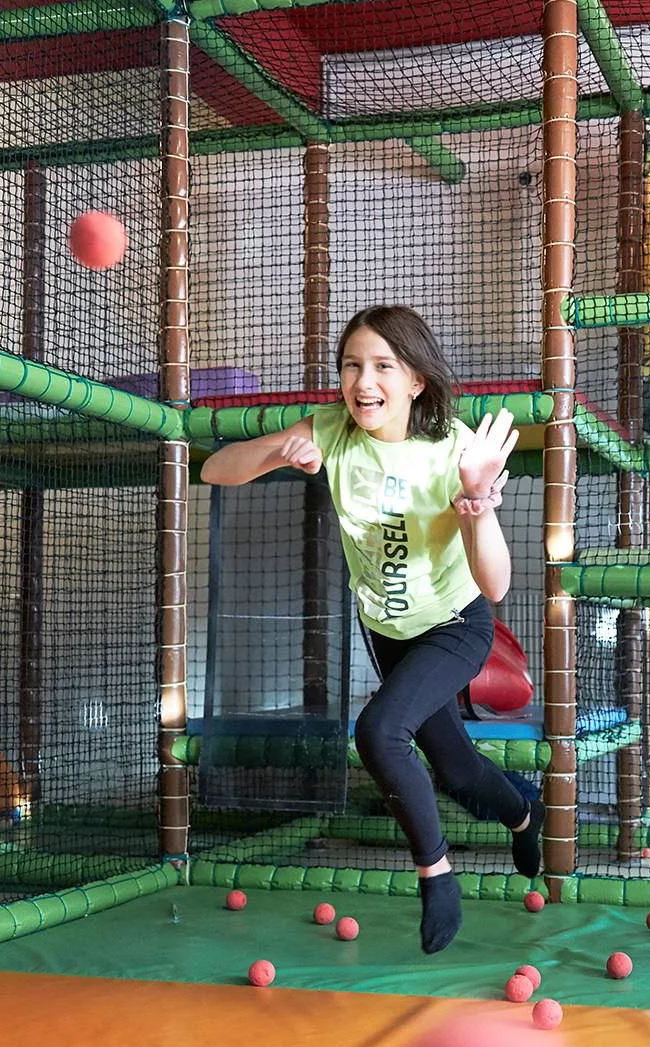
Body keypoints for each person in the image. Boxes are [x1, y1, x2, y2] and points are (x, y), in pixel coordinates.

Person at [201, 305, 542, 955]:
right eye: (352, 366)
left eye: (383, 366)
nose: (363, 381)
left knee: (379, 731)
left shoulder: (454, 449)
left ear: (416, 380)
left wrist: (477, 503)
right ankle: (525, 815)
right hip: (387, 631)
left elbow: (496, 585)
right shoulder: (331, 429)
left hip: (454, 624)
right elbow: (216, 469)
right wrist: (280, 450)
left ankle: (436, 875)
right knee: (457, 770)